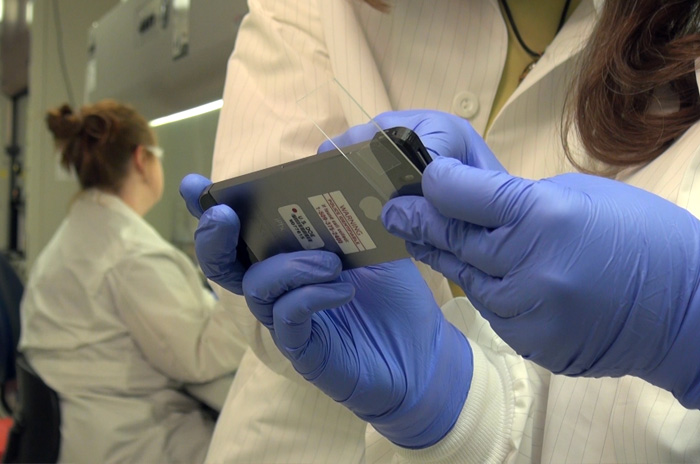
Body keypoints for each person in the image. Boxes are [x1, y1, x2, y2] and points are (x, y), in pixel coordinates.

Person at [182, 0, 700, 462]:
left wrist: (685, 319)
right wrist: (457, 408)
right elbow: (258, 250)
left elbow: (616, 428)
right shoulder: (316, 8)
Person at [19, 100, 247, 464]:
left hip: (77, 428)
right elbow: (198, 357)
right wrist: (246, 294)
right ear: (142, 159)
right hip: (126, 438)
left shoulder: (77, 234)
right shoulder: (132, 253)